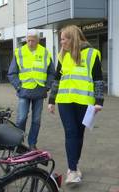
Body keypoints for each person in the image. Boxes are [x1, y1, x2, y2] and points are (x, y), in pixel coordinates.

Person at [48, 25, 104, 184]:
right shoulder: (62, 56)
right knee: (71, 132)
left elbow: (98, 79)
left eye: (64, 39)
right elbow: (57, 80)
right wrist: (52, 100)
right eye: (60, 39)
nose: (61, 42)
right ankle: (72, 171)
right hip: (65, 102)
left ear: (73, 38)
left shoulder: (92, 54)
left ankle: (75, 164)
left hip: (84, 102)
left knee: (79, 135)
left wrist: (99, 101)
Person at [8, 29, 55, 150]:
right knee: (21, 118)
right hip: (24, 91)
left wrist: (47, 86)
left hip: (39, 91)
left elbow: (51, 72)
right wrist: (18, 86)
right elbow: (12, 73)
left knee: (36, 120)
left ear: (38, 41)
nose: (30, 43)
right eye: (28, 40)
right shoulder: (19, 52)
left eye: (33, 41)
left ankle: (32, 144)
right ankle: (17, 143)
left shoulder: (45, 52)